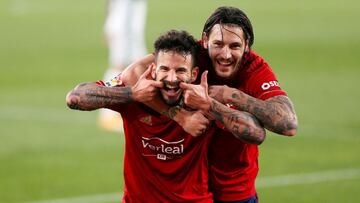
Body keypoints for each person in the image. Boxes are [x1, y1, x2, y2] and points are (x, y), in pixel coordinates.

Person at [121, 6, 298, 203]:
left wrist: (229, 95)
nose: (225, 54)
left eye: (234, 46)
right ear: (205, 40)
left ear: (247, 45)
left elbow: (288, 125)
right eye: (218, 44)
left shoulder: (254, 69)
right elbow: (131, 74)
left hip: (233, 187)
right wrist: (177, 114)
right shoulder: (192, 55)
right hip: (190, 189)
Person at [66, 30, 215, 202]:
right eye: (164, 69)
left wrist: (212, 106)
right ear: (153, 69)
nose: (172, 78)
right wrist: (131, 94)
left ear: (194, 74)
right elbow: (75, 98)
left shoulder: (205, 97)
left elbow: (253, 131)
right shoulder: (134, 94)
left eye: (180, 70)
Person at [99, 0, 148, 132]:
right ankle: (108, 115)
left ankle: (124, 112)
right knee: (122, 65)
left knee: (134, 65)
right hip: (125, 17)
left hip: (126, 15)